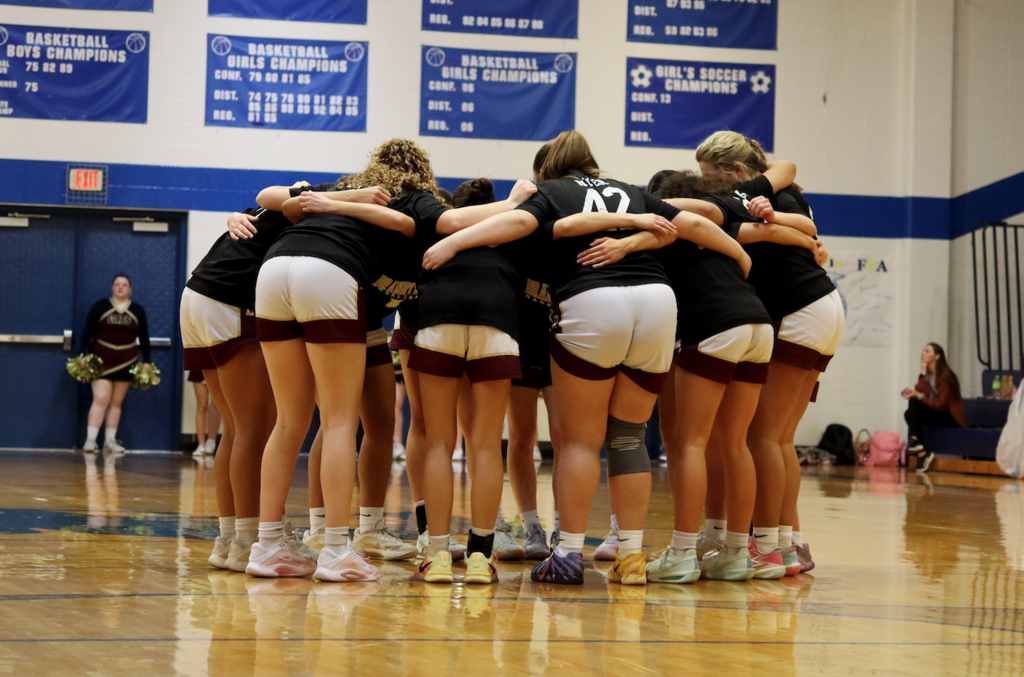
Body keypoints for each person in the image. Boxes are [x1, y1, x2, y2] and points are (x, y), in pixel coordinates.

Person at [423, 130, 749, 586]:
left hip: (593, 300)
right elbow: (691, 226)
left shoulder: (553, 191)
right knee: (630, 437)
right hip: (657, 302)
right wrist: (736, 252)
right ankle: (632, 557)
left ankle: (568, 555)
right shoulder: (631, 191)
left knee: (579, 441)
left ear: (548, 171)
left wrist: (454, 242)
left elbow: (517, 224)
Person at [697, 131, 842, 577]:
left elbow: (789, 212)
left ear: (738, 172)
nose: (706, 187)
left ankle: (768, 547)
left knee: (762, 436)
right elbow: (802, 221)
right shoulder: (784, 193)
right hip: (822, 307)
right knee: (778, 439)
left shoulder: (749, 195)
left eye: (709, 178)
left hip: (801, 309)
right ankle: (788, 543)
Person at [81, 274, 151, 454]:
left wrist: (147, 362)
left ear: (130, 289)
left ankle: (110, 441)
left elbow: (144, 338)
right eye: (117, 284)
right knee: (101, 399)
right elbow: (87, 331)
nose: (120, 287)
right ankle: (90, 441)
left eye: (124, 285)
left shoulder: (137, 310)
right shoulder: (101, 306)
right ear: (112, 287)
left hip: (126, 361)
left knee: (116, 402)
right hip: (101, 360)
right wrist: (84, 355)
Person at [904, 343, 965, 472]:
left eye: (927, 351)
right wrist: (922, 373)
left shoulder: (946, 376)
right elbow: (919, 391)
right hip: (935, 413)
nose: (923, 353)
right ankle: (919, 448)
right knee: (909, 412)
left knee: (913, 408)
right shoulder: (927, 374)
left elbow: (941, 405)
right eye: (923, 350)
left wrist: (919, 396)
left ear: (937, 356)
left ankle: (919, 449)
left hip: (948, 416)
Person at [188, 370, 222, 457]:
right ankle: (201, 444)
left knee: (215, 405)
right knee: (202, 405)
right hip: (199, 367)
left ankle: (211, 441)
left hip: (215, 367)